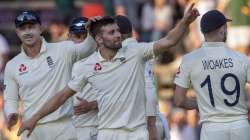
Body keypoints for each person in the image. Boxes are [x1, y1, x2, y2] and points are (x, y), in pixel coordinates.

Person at [17, 4, 199, 140]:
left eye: (118, 31)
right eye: (112, 32)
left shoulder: (135, 52)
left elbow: (168, 41)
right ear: (99, 39)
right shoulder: (87, 66)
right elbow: (62, 96)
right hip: (107, 134)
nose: (118, 35)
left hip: (137, 133)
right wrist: (34, 118)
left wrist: (185, 22)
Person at [3, 10, 97, 140]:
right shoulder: (12, 65)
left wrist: (92, 31)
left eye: (31, 27)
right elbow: (11, 99)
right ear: (17, 32)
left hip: (62, 127)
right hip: (31, 129)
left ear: (40, 28)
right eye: (23, 28)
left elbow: (87, 48)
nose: (27, 32)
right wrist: (11, 113)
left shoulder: (62, 49)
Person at [174, 10, 250, 140]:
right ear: (223, 29)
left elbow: (179, 100)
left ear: (203, 32)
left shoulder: (190, 60)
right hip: (240, 126)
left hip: (212, 128)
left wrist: (201, 104)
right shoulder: (242, 59)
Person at [115, 15, 170, 140]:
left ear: (119, 34)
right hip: (156, 117)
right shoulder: (144, 47)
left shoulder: (120, 53)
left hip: (137, 114)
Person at [68, 17, 99, 140]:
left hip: (93, 128)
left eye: (85, 36)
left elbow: (121, 96)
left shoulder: (104, 60)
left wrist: (94, 104)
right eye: (78, 36)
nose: (82, 40)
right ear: (69, 36)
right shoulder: (61, 61)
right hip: (68, 130)